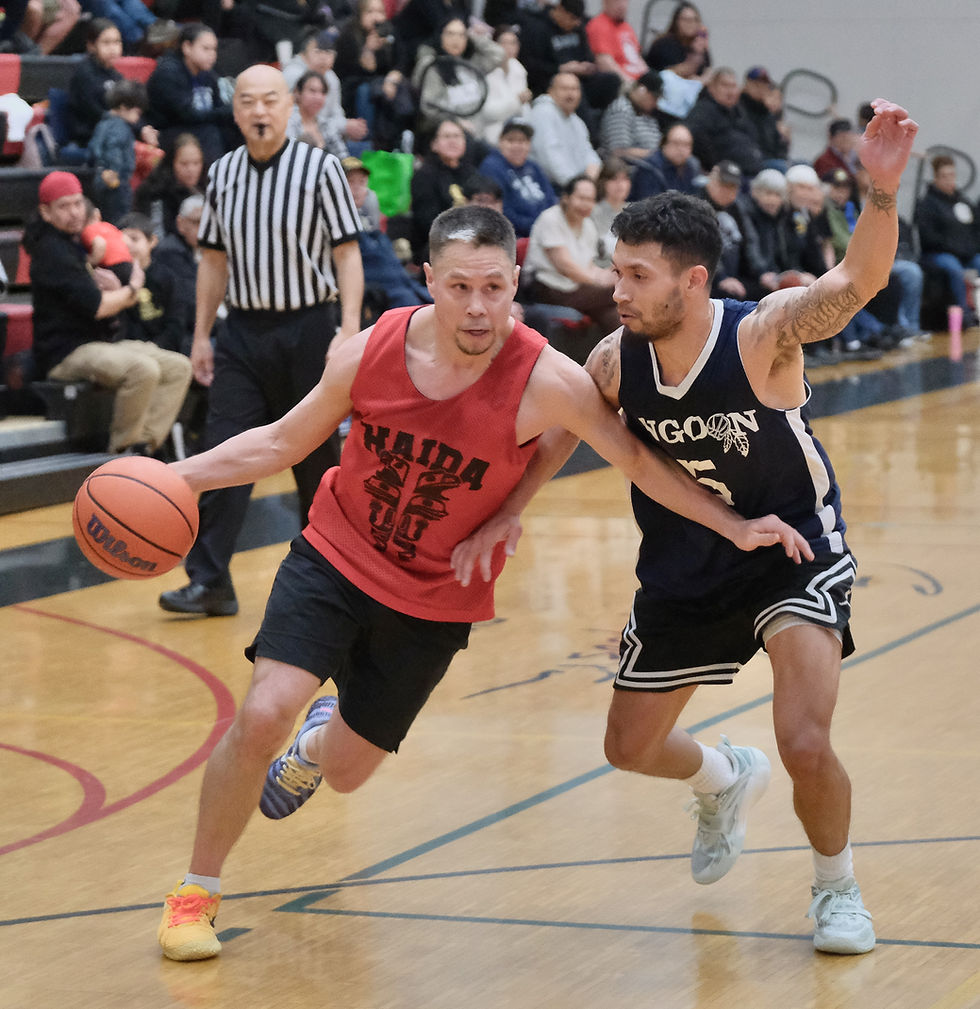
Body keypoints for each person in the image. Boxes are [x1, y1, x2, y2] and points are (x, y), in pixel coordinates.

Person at [155, 202, 810, 961]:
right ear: (428, 279)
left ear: (516, 282)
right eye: (460, 286)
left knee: (345, 772)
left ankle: (317, 740)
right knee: (263, 708)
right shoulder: (372, 350)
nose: (477, 306)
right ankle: (195, 890)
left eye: (494, 287)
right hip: (337, 553)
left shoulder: (549, 379)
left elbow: (636, 462)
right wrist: (173, 477)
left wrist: (731, 524)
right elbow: (279, 440)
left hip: (436, 597)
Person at [461, 98, 919, 957]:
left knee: (805, 737)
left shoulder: (765, 337)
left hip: (791, 545)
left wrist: (880, 193)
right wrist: (510, 510)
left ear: (693, 280)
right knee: (628, 747)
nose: (618, 288)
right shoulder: (613, 356)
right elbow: (566, 432)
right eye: (617, 269)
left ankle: (837, 889)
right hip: (686, 557)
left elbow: (854, 283)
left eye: (636, 274)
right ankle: (722, 776)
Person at [158, 65, 363, 617]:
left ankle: (329, 579)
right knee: (224, 453)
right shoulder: (221, 173)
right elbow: (213, 261)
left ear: (288, 104)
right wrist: (202, 334)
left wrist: (347, 329)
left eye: (269, 100)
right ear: (235, 110)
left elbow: (348, 254)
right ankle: (210, 580)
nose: (259, 111)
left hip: (310, 328)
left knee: (316, 462)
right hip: (243, 333)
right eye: (247, 101)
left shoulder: (321, 169)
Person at [24, 171, 192, 455]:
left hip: (98, 344)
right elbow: (98, 306)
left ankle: (146, 447)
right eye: (64, 206)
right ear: (46, 212)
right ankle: (122, 453)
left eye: (78, 203)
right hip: (65, 353)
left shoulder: (76, 244)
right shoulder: (50, 251)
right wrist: (132, 290)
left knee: (178, 367)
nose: (74, 212)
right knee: (142, 369)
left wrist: (103, 275)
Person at [522, 173, 621, 336]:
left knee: (614, 314)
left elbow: (589, 265)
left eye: (590, 199)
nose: (586, 204)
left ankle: (624, 358)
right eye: (581, 198)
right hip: (546, 287)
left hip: (576, 287)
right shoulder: (550, 219)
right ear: (566, 197)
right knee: (618, 291)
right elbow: (565, 267)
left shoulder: (588, 225)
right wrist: (600, 282)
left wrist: (606, 276)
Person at [145, 22, 236, 166]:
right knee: (209, 132)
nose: (212, 55)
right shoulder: (167, 73)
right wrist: (228, 111)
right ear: (187, 47)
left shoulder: (208, 74)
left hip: (198, 127)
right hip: (167, 132)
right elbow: (187, 115)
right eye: (206, 49)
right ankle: (214, 183)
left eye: (214, 49)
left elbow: (219, 108)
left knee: (237, 127)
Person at [914, 154, 980, 327]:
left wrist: (970, 249)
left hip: (966, 254)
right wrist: (956, 249)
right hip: (937, 254)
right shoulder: (927, 204)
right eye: (944, 176)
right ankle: (964, 316)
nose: (949, 180)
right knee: (954, 269)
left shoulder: (964, 202)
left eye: (952, 175)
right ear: (936, 178)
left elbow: (975, 230)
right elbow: (928, 237)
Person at [408, 117, 482, 265]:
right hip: (438, 247)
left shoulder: (471, 172)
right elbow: (427, 222)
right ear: (434, 144)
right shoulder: (424, 175)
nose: (453, 141)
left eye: (457, 136)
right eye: (447, 136)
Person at [477, 116, 557, 239]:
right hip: (515, 237)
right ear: (500, 142)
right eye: (511, 140)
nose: (517, 146)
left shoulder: (533, 166)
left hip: (545, 231)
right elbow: (503, 211)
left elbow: (550, 198)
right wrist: (539, 227)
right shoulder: (492, 167)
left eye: (523, 141)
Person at [89, 79, 150, 224]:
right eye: (137, 112)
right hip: (116, 182)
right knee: (120, 221)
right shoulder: (120, 128)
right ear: (123, 107)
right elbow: (113, 149)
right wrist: (114, 171)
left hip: (101, 178)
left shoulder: (103, 124)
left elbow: (93, 149)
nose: (138, 118)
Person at [683, 66, 763, 176]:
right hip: (724, 175)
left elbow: (753, 137)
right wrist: (714, 165)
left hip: (751, 170)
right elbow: (696, 138)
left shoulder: (739, 111)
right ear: (712, 88)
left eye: (733, 86)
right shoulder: (703, 110)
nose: (730, 91)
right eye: (725, 85)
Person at [529, 71, 602, 187]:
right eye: (564, 89)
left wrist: (591, 174)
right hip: (550, 186)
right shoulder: (543, 112)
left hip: (577, 185)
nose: (570, 94)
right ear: (551, 91)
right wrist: (575, 186)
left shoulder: (576, 120)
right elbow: (549, 157)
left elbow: (588, 152)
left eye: (574, 89)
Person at [134, 132, 205, 239]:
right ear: (172, 163)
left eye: (196, 163)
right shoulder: (154, 191)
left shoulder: (204, 189)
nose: (191, 169)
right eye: (184, 164)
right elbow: (157, 236)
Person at [599, 70, 663, 164]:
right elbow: (619, 151)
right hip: (628, 169)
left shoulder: (647, 114)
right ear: (642, 90)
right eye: (654, 98)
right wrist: (656, 155)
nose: (656, 104)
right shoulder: (621, 110)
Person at [628, 121, 701, 200]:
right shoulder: (649, 167)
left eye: (686, 144)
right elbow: (649, 207)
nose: (681, 149)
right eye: (676, 143)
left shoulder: (692, 166)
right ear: (664, 144)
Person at [286, 70, 349, 158]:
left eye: (323, 92)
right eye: (312, 91)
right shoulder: (287, 122)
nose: (318, 97)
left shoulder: (326, 124)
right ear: (297, 93)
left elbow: (343, 156)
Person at [585, 0, 648, 85]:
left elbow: (637, 58)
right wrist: (632, 85)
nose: (622, 6)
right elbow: (604, 62)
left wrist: (648, 78)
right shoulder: (598, 25)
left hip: (639, 79)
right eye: (617, 2)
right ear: (605, 3)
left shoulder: (626, 27)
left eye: (624, 1)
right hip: (622, 82)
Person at [738, 66, 789, 171]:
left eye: (764, 85)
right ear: (747, 84)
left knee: (802, 165)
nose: (760, 88)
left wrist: (785, 140)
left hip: (771, 162)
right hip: (750, 162)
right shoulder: (738, 109)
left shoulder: (768, 115)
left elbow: (778, 146)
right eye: (756, 84)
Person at [644, 1, 710, 80]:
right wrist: (696, 54)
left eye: (695, 20)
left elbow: (708, 70)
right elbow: (673, 73)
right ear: (676, 22)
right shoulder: (664, 44)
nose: (691, 23)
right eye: (686, 20)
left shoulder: (698, 44)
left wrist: (702, 80)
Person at [813, 118, 860, 185]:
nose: (847, 139)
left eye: (849, 136)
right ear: (831, 138)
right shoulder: (824, 161)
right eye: (842, 137)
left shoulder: (857, 157)